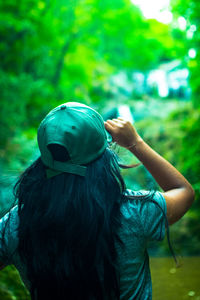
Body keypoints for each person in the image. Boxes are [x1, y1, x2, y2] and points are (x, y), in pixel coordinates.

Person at [0, 102, 194, 300]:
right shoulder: (134, 212)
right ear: (105, 155)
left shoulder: (15, 223)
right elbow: (184, 192)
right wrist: (135, 142)